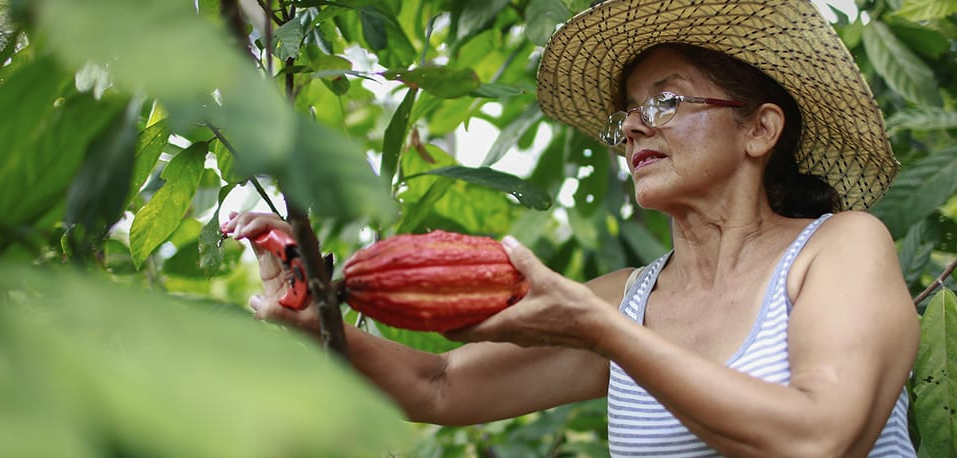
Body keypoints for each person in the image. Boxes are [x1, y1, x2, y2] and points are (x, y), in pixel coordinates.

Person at [221, 0, 920, 456]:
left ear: (760, 128)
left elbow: (820, 437)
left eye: (668, 99)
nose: (634, 125)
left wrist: (603, 332)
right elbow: (437, 386)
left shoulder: (839, 248)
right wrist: (313, 316)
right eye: (627, 114)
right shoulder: (629, 299)